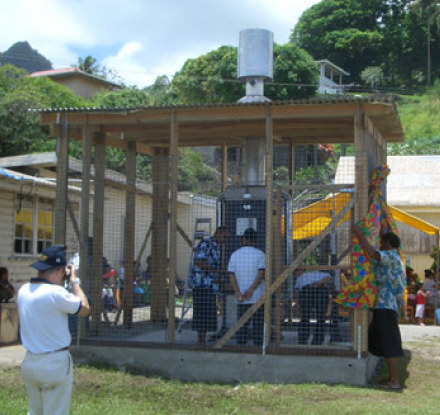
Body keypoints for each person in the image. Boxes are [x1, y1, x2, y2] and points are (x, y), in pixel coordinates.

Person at [17, 245, 90, 415]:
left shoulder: (23, 291)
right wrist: (74, 281)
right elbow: (85, 308)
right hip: (54, 363)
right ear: (59, 271)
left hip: (30, 361)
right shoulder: (56, 293)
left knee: (34, 411)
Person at [353, 225, 405, 390]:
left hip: (386, 305)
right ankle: (391, 378)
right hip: (382, 304)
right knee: (377, 338)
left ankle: (394, 381)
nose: (380, 244)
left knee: (388, 340)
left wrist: (359, 233)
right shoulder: (394, 257)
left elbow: (372, 253)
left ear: (388, 243)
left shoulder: (390, 255)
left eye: (382, 242)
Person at [190, 226, 230, 345]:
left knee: (209, 312)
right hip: (201, 284)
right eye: (224, 237)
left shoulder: (217, 247)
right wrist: (216, 271)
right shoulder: (206, 244)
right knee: (202, 312)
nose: (225, 240)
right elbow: (199, 262)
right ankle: (201, 340)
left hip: (210, 285)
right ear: (217, 233)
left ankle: (204, 338)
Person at [228, 228, 265, 346]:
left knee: (242, 324)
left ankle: (241, 347)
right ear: (256, 241)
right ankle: (258, 347)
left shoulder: (235, 254)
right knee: (258, 324)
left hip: (241, 297)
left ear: (244, 239)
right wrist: (252, 289)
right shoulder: (261, 254)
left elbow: (231, 274)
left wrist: (237, 292)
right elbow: (261, 273)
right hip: (257, 295)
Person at [294, 270, 332, 345]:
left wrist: (298, 302)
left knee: (305, 317)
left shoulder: (301, 276)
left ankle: (303, 340)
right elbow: (329, 278)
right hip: (320, 291)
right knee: (320, 318)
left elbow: (297, 290)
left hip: (307, 291)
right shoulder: (322, 274)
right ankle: (317, 340)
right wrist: (319, 283)